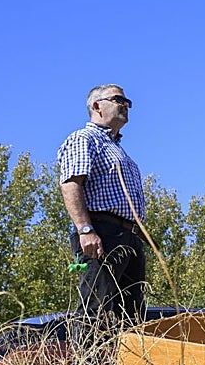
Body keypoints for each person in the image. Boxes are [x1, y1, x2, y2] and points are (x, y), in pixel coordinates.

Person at [57, 84, 148, 347]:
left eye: (127, 101)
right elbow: (71, 184)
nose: (125, 105)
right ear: (96, 106)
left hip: (128, 237)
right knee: (95, 308)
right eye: (118, 99)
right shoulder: (83, 139)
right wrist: (85, 230)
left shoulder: (119, 151)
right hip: (101, 233)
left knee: (132, 314)